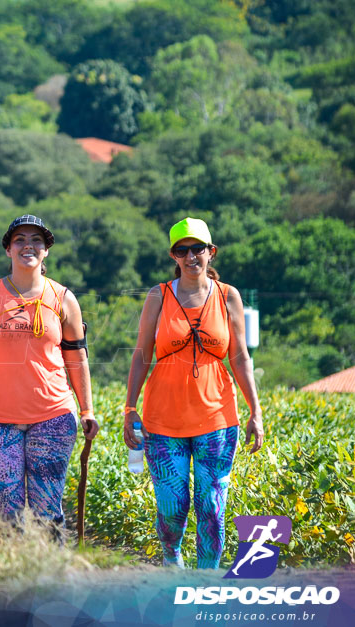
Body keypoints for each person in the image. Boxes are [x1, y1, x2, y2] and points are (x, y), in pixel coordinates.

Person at [124, 217, 263, 569]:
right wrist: (129, 408)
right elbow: (141, 356)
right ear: (174, 255)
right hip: (162, 420)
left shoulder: (228, 296)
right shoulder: (159, 295)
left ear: (210, 252)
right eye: (182, 250)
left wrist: (255, 413)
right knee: (172, 507)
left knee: (212, 506)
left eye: (197, 248)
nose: (191, 256)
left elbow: (241, 358)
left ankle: (206, 584)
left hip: (217, 418)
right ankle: (173, 563)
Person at [0, 215, 99, 535]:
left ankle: (52, 579)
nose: (28, 245)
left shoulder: (63, 298)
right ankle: (13, 581)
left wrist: (86, 410)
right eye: (19, 240)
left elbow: (77, 358)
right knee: (6, 514)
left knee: (48, 510)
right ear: (8, 250)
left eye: (36, 241)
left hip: (53, 417)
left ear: (46, 252)